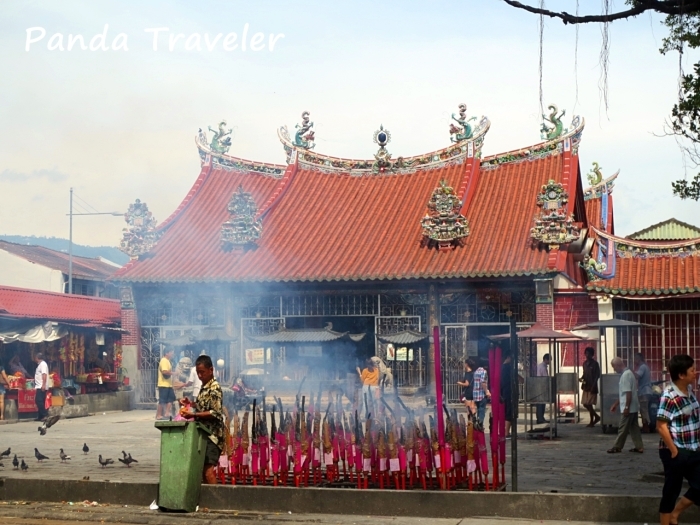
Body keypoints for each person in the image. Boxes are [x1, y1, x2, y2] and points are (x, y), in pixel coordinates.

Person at [656, 354, 700, 525]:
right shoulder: (669, 395)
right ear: (681, 375)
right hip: (676, 451)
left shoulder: (689, 391)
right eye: (692, 370)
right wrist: (674, 450)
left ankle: (676, 514)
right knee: (671, 491)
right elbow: (661, 425)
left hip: (693, 448)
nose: (695, 372)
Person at [179, 355, 225, 484]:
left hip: (213, 436)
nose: (200, 376)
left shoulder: (214, 388)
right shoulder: (204, 387)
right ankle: (206, 500)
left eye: (202, 372)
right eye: (198, 373)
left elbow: (215, 412)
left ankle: (216, 500)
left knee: (208, 471)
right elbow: (204, 406)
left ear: (211, 370)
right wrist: (191, 404)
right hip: (204, 434)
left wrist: (193, 415)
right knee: (202, 470)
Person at [607, 356, 644, 454]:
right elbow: (624, 393)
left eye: (614, 367)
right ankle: (639, 446)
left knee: (622, 428)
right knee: (634, 428)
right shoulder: (629, 373)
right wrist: (615, 404)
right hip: (633, 407)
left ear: (618, 365)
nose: (614, 370)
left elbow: (628, 393)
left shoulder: (626, 375)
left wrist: (626, 407)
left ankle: (617, 446)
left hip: (628, 408)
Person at [581, 346, 602, 427]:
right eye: (586, 353)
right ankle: (596, 417)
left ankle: (592, 421)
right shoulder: (584, 364)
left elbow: (597, 375)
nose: (587, 355)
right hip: (586, 386)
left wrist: (594, 385)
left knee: (589, 404)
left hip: (592, 386)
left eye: (589, 354)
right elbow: (584, 374)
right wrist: (581, 378)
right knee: (585, 404)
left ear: (592, 355)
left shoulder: (595, 364)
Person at [634, 353, 652, 433]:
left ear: (639, 359)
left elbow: (637, 376)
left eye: (635, 359)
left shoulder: (642, 367)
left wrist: (630, 372)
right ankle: (645, 425)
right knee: (643, 409)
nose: (634, 361)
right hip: (645, 391)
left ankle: (646, 427)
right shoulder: (645, 367)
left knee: (643, 410)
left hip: (644, 391)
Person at [156, 349, 176, 420]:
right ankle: (158, 415)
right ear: (167, 353)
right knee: (162, 400)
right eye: (171, 352)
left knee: (171, 398)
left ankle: (166, 413)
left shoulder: (168, 361)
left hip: (168, 384)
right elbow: (164, 372)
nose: (172, 354)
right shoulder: (164, 360)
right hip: (163, 384)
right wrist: (174, 373)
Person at [472, 358, 490, 425]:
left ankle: (477, 423)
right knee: (482, 410)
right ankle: (480, 424)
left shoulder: (476, 371)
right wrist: (487, 392)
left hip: (476, 394)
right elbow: (483, 383)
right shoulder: (484, 372)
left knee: (479, 409)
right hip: (481, 394)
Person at [501, 351, 514, 437]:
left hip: (503, 391)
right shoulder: (507, 368)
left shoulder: (501, 367)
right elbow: (516, 376)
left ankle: (506, 432)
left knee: (507, 411)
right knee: (509, 412)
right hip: (508, 391)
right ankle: (506, 433)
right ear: (508, 357)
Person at [535, 353, 551, 425]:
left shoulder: (539, 366)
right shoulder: (543, 367)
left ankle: (539, 417)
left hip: (538, 386)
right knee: (542, 403)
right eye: (549, 360)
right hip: (542, 386)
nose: (550, 362)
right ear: (546, 359)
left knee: (539, 403)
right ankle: (541, 418)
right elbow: (545, 378)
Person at [33, 353, 49, 421]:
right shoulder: (40, 364)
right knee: (40, 401)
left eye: (35, 357)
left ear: (37, 358)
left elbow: (44, 374)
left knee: (38, 400)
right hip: (39, 385)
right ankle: (40, 416)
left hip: (41, 386)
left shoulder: (43, 364)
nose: (34, 359)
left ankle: (45, 415)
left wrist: (43, 385)